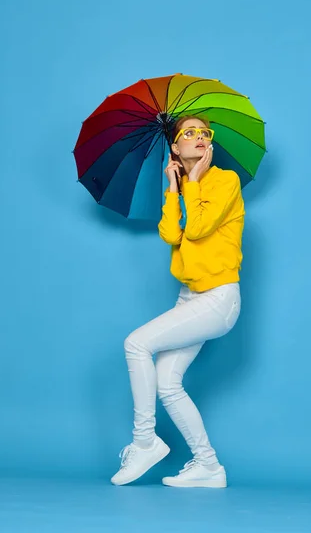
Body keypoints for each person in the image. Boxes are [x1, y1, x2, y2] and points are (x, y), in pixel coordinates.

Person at [111, 116, 245, 488]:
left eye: (205, 132)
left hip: (219, 298)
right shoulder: (184, 184)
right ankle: (209, 466)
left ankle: (144, 442)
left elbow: (199, 227)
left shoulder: (224, 181)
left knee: (136, 344)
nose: (200, 137)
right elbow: (171, 232)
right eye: (190, 133)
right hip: (190, 297)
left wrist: (195, 183)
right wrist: (174, 186)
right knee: (168, 384)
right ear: (175, 148)